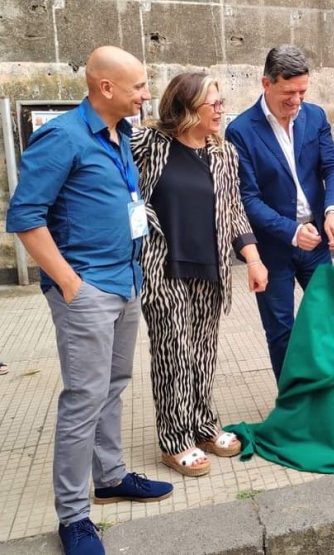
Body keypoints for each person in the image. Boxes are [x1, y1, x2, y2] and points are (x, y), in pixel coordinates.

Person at [5, 46, 173, 555]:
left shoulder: (120, 133)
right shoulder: (62, 137)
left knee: (114, 385)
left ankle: (111, 475)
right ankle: (74, 517)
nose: (146, 95)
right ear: (105, 88)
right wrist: (71, 285)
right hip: (88, 290)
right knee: (83, 398)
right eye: (139, 86)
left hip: (125, 280)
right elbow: (25, 217)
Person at [131, 72, 268, 477]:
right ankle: (174, 440)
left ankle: (203, 426)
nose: (221, 109)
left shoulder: (223, 153)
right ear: (187, 107)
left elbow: (233, 210)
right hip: (163, 269)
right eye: (214, 102)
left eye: (221, 101)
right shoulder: (148, 144)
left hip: (210, 270)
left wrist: (254, 258)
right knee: (174, 355)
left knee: (203, 355)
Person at [226, 45, 334, 384]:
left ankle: (330, 393)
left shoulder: (315, 116)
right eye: (288, 93)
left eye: (302, 92)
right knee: (281, 330)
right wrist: (291, 232)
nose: (296, 101)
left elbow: (333, 167)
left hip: (318, 240)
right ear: (266, 83)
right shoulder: (240, 131)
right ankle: (292, 405)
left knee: (328, 318)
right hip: (274, 247)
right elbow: (246, 199)